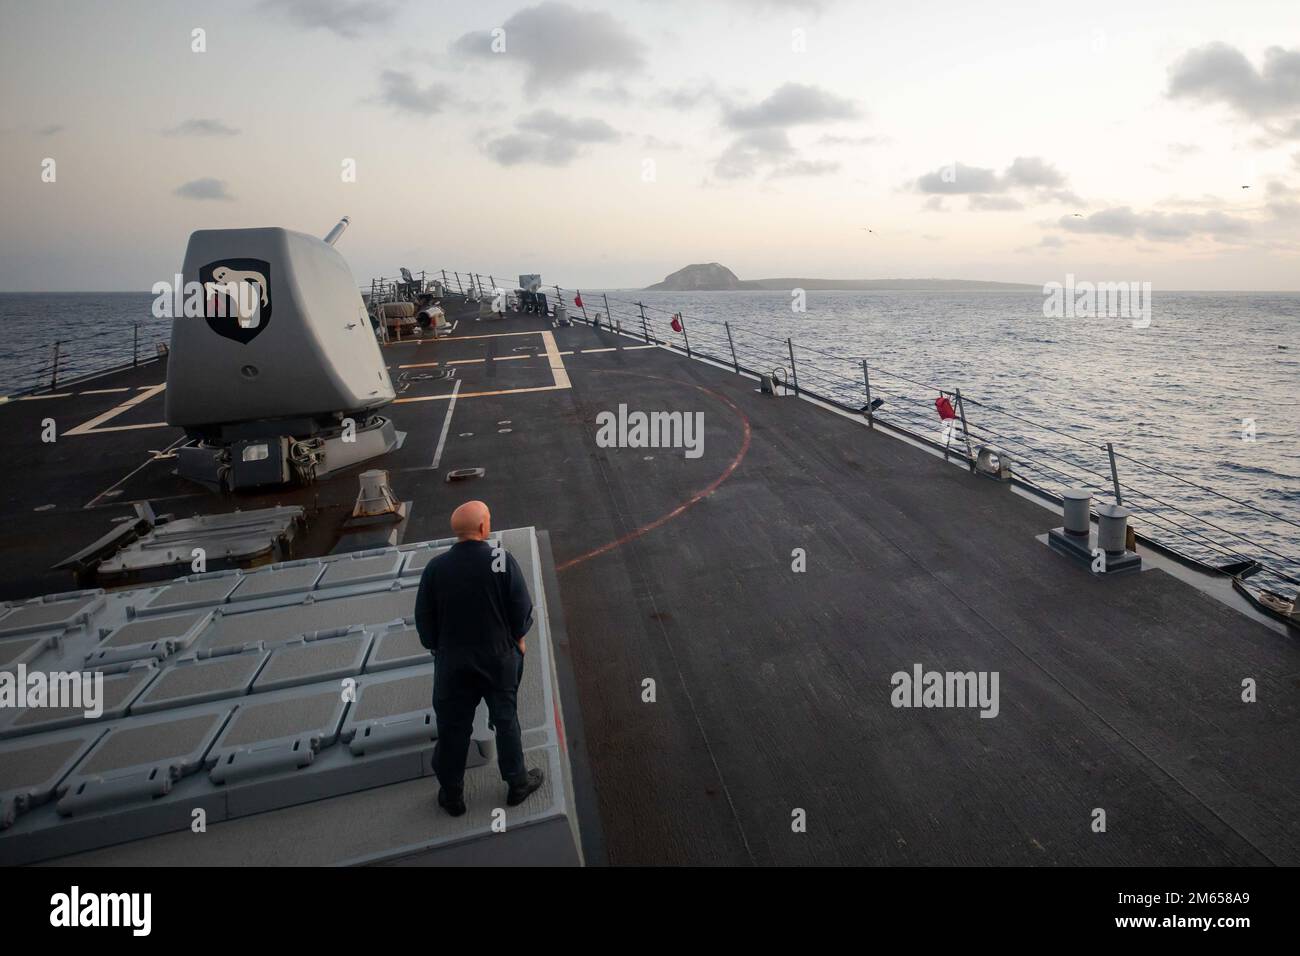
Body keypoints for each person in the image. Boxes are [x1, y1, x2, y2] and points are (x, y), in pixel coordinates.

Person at [414, 500, 544, 816]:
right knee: (505, 719)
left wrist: (437, 647)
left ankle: (453, 794)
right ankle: (517, 783)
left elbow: (424, 620)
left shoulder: (436, 567)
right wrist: (519, 639)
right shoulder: (500, 559)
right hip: (498, 659)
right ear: (484, 528)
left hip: (453, 663)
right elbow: (521, 609)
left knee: (453, 727)